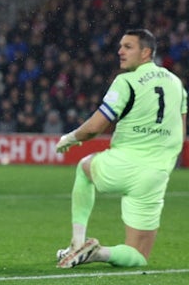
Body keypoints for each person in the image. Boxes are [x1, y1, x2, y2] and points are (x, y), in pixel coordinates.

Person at [55, 29, 186, 268]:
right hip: (155, 175)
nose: (120, 51)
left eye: (128, 46)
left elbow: (95, 126)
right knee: (138, 255)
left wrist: (70, 137)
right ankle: (99, 253)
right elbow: (181, 126)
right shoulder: (177, 83)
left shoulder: (127, 81)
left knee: (84, 168)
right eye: (120, 46)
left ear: (146, 52)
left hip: (123, 163)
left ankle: (77, 244)